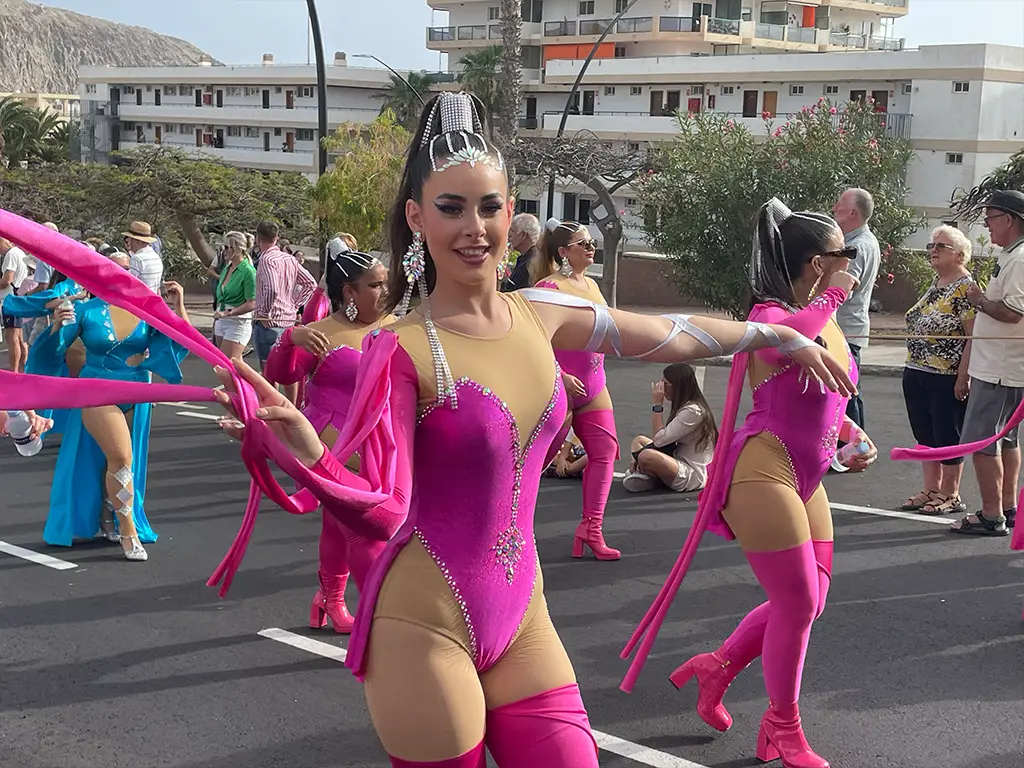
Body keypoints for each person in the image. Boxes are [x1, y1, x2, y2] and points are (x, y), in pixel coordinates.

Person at [0, 95, 852, 767]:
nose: (473, 227)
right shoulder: (404, 351)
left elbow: (673, 335)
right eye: (450, 207)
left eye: (488, 206)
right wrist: (297, 442)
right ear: (416, 218)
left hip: (525, 618)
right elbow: (377, 505)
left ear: (510, 208)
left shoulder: (548, 312)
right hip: (424, 619)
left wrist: (773, 332)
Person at [623, 198, 874, 768]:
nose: (851, 265)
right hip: (765, 469)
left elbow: (826, 386)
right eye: (842, 255)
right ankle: (781, 727)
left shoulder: (822, 315)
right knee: (797, 600)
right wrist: (836, 293)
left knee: (812, 600)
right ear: (818, 263)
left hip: (807, 475)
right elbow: (789, 346)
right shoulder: (770, 314)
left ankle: (717, 667)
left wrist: (849, 432)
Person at [263, 241, 396, 633]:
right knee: (360, 530)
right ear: (350, 293)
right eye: (374, 285)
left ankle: (330, 600)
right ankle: (381, 616)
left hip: (385, 447)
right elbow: (282, 375)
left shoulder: (394, 326)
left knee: (339, 527)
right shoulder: (320, 333)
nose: (384, 291)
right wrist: (289, 340)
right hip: (334, 450)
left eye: (385, 282)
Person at [36, 253, 190, 561]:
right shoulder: (84, 310)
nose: (120, 273)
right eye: (113, 268)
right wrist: (55, 327)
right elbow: (55, 351)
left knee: (115, 460)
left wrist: (179, 305)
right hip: (97, 391)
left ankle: (108, 516)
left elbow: (182, 338)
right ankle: (128, 530)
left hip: (138, 388)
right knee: (122, 456)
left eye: (125, 269)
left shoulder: (146, 309)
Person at [532, 218, 623, 560]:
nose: (591, 248)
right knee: (534, 463)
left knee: (604, 453)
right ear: (564, 252)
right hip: (560, 392)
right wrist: (558, 375)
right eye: (584, 244)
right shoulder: (549, 289)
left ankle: (592, 528)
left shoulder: (591, 285)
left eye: (592, 243)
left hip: (595, 387)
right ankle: (513, 526)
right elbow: (534, 342)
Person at [951, 189, 1024, 536]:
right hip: (1001, 365)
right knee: (1006, 440)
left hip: (999, 367)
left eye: (991, 217)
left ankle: (992, 514)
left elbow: (1012, 312)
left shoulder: (1020, 259)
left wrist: (978, 299)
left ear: (1009, 220)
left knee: (984, 440)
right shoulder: (1010, 255)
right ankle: (1007, 508)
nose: (987, 224)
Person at [899, 225, 975, 516]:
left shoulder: (965, 288)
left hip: (946, 376)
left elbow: (972, 337)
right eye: (931, 245)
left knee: (947, 434)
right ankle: (931, 488)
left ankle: (950, 493)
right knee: (925, 434)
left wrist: (963, 375)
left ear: (959, 254)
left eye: (940, 246)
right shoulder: (937, 283)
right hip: (917, 370)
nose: (933, 250)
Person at [622, 362, 717, 494]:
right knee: (638, 441)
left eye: (665, 384)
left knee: (645, 455)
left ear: (678, 387)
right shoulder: (685, 406)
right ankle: (645, 475)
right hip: (677, 458)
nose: (660, 388)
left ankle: (647, 476)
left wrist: (657, 406)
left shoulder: (693, 412)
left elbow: (659, 440)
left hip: (691, 474)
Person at [253, 220, 317, 402]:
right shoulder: (289, 259)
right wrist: (295, 304)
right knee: (288, 368)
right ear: (276, 238)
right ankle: (292, 408)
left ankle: (272, 409)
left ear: (258, 238)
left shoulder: (266, 259)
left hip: (270, 323)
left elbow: (271, 288)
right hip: (289, 322)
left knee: (268, 371)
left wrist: (265, 312)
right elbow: (310, 283)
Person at [832, 187, 880, 429]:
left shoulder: (856, 247)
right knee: (850, 390)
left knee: (845, 392)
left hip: (845, 330)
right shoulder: (863, 241)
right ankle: (854, 448)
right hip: (851, 328)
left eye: (839, 204)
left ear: (852, 212)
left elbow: (843, 290)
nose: (834, 209)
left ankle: (853, 449)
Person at [212, 231, 258, 360]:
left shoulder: (248, 271)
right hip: (221, 321)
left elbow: (252, 303)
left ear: (237, 248)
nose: (223, 251)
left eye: (226, 248)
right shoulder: (228, 268)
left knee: (228, 365)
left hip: (237, 323)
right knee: (225, 364)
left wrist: (228, 313)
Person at [0, 236, 30, 373]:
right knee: (19, 337)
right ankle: (23, 369)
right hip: (19, 298)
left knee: (11, 338)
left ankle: (14, 372)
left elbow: (7, 280)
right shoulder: (19, 253)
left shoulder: (11, 255)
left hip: (10, 300)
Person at [501, 213, 541, 292]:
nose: (509, 236)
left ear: (523, 235)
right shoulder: (528, 258)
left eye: (512, 231)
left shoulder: (531, 264)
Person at [122, 221, 164, 293]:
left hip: (139, 301)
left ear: (137, 240)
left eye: (130, 238)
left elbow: (129, 284)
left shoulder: (137, 259)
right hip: (151, 300)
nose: (127, 240)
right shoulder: (156, 257)